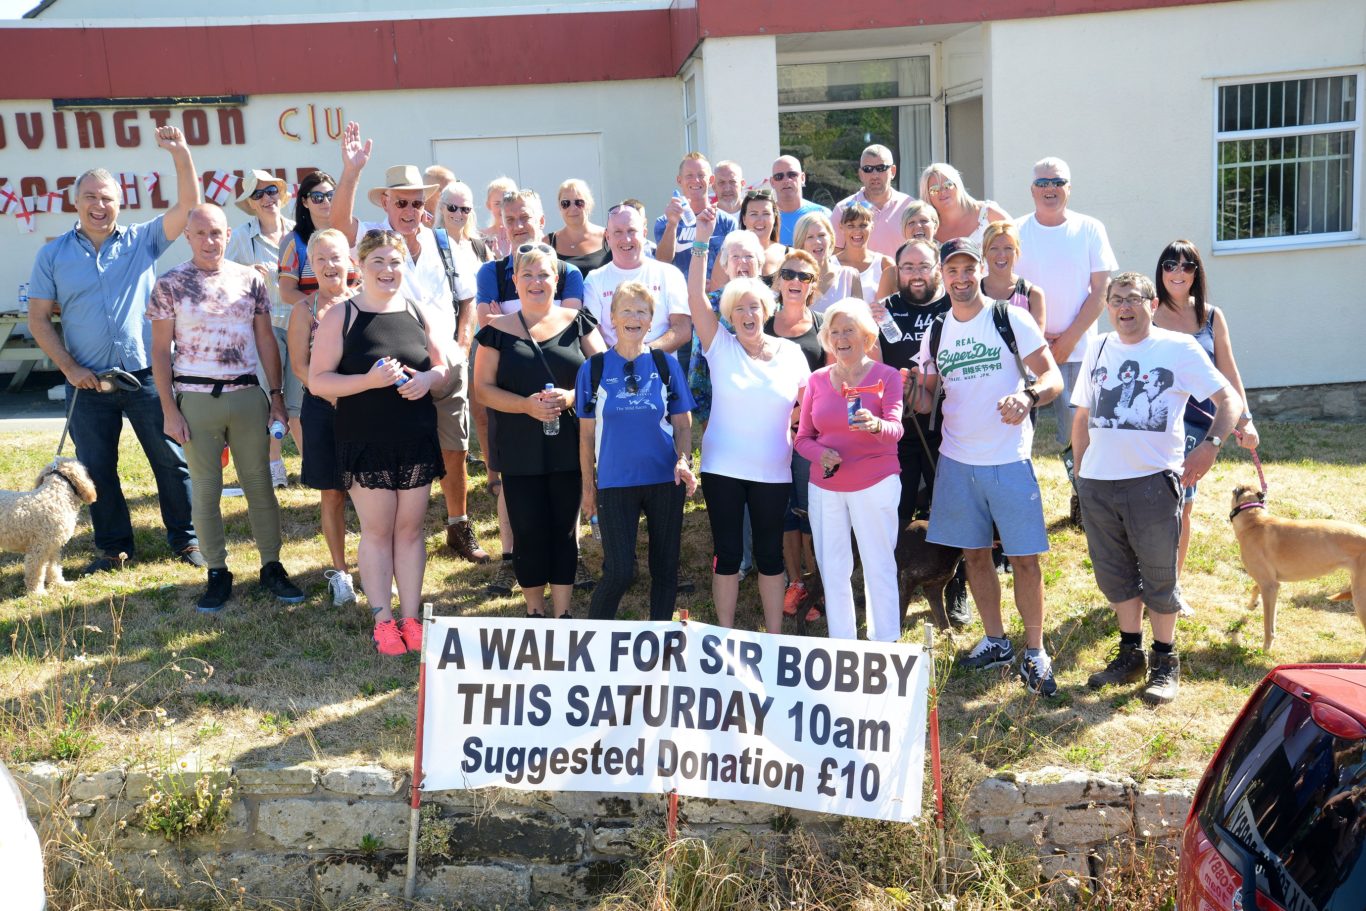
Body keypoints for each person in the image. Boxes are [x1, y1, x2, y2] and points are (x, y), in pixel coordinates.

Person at [27, 126, 202, 574]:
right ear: (76, 202)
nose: (99, 205)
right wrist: (68, 368)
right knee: (98, 470)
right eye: (90, 197)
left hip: (146, 376)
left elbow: (187, 208)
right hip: (86, 382)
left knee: (170, 461)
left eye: (107, 198)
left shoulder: (143, 240)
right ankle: (113, 549)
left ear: (119, 203)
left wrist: (181, 154)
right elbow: (39, 319)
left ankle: (186, 541)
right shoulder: (53, 255)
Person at [1071, 272, 1240, 705]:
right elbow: (1082, 415)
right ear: (1108, 306)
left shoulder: (1177, 348)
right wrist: (1081, 476)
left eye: (1132, 299)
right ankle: (1131, 653)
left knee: (1160, 577)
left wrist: (1210, 447)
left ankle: (1166, 661)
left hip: (1152, 482)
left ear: (1151, 304)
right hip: (1099, 483)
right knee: (1115, 575)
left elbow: (1229, 401)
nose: (1124, 307)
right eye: (1116, 299)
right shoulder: (1099, 346)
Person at [912, 239, 1063, 696]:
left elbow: (1052, 376)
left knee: (1023, 560)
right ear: (942, 274)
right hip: (957, 460)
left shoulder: (1009, 317)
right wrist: (909, 389)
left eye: (966, 268)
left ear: (979, 270)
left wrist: (1028, 396)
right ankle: (996, 640)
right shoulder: (936, 330)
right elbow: (924, 399)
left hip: (1008, 459)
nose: (959, 278)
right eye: (951, 270)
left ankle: (1034, 649)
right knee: (974, 555)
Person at [333, 130, 489, 567]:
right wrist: (352, 171)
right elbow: (338, 223)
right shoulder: (372, 241)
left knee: (454, 447)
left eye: (416, 202)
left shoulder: (446, 244)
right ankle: (393, 537)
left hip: (441, 366)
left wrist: (460, 343)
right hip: (386, 371)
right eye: (400, 202)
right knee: (396, 452)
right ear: (384, 203)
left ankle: (457, 525)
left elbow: (468, 298)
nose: (409, 211)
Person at [149, 205, 304, 612]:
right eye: (200, 233)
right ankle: (217, 572)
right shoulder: (170, 284)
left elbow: (266, 340)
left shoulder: (249, 279)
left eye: (216, 233)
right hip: (196, 399)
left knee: (259, 484)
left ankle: (272, 565)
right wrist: (169, 409)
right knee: (205, 489)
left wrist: (276, 397)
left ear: (228, 233)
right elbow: (160, 353)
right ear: (187, 236)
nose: (209, 241)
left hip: (247, 394)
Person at [308, 229, 449, 655]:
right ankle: (382, 619)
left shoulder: (416, 310)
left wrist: (427, 379)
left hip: (415, 438)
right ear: (361, 266)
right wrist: (368, 381)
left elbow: (443, 368)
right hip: (365, 438)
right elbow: (318, 381)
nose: (388, 271)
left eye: (395, 263)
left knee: (409, 530)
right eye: (378, 263)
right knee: (377, 530)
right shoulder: (342, 316)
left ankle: (411, 616)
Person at [689, 207, 811, 633]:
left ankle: (774, 637)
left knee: (770, 555)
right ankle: (723, 633)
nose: (747, 314)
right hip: (722, 469)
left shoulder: (791, 353)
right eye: (738, 307)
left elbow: (809, 409)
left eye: (754, 306)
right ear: (729, 314)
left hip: (773, 472)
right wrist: (703, 239)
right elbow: (694, 299)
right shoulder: (719, 346)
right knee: (726, 554)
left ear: (766, 309)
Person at [474, 244, 606, 618]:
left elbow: (602, 373)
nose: (536, 282)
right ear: (514, 282)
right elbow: (482, 389)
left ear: (556, 280)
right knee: (528, 533)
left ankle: (563, 614)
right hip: (519, 450)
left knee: (564, 531)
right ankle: (535, 612)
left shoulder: (578, 320)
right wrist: (524, 406)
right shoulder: (495, 331)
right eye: (527, 275)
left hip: (568, 447)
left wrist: (570, 397)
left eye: (544, 274)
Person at [578, 282, 697, 621]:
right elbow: (586, 436)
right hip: (616, 483)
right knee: (618, 572)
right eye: (626, 310)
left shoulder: (665, 364)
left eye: (641, 311)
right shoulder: (594, 368)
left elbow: (684, 425)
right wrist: (589, 487)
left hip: (664, 480)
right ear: (612, 318)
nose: (634, 317)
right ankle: (595, 645)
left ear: (650, 320)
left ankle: (659, 643)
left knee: (666, 569)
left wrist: (684, 462)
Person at [795, 299, 905, 640]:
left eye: (849, 330)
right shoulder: (815, 380)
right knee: (832, 567)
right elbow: (802, 439)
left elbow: (896, 430)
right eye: (835, 331)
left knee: (878, 564)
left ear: (867, 337)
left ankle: (885, 642)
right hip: (826, 486)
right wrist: (821, 454)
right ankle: (841, 644)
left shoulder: (887, 376)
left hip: (875, 481)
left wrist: (875, 425)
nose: (841, 338)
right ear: (827, 338)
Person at [1150, 240, 1259, 579]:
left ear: (1196, 272)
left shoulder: (1211, 315)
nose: (1178, 272)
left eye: (1186, 265)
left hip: (1197, 426)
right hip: (1155, 423)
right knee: (1150, 505)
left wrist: (1246, 420)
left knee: (1182, 506)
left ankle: (1172, 586)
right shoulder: (1148, 314)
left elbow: (1229, 371)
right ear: (1160, 271)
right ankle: (1143, 582)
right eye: (1170, 265)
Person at [1012, 157, 1117, 481]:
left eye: (1057, 182)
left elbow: (1101, 289)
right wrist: (1038, 343)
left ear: (1069, 189)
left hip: (1078, 352)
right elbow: (1007, 289)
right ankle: (1013, 505)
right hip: (1025, 353)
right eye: (1042, 183)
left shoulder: (1089, 228)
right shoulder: (1015, 231)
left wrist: (1069, 339)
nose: (1050, 189)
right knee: (1013, 434)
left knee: (1079, 434)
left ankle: (1084, 500)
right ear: (1032, 189)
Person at [287, 228, 360, 608]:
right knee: (332, 493)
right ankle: (341, 573)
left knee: (372, 494)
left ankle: (376, 566)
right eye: (321, 259)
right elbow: (299, 365)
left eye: (336, 257)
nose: (330, 265)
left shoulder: (367, 302)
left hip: (366, 410)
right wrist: (332, 392)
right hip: (323, 410)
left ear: (350, 261)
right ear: (310, 266)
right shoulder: (305, 311)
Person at [227, 169, 299, 487]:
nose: (267, 199)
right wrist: (244, 272)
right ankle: (273, 463)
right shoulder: (242, 235)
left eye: (271, 191)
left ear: (280, 196)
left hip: (298, 324)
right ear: (251, 204)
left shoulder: (298, 232)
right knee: (272, 397)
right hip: (263, 328)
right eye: (258, 195)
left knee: (299, 398)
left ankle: (311, 463)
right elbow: (220, 273)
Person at [767, 249, 828, 618]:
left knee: (811, 513)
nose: (795, 281)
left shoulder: (823, 325)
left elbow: (833, 382)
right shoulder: (761, 323)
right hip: (770, 434)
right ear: (776, 281)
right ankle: (796, 583)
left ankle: (817, 586)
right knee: (784, 512)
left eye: (803, 277)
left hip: (812, 436)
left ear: (812, 286)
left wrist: (802, 415)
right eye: (788, 274)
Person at [582, 205, 690, 352]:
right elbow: (591, 333)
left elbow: (682, 329)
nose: (626, 239)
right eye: (618, 232)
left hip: (660, 369)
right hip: (612, 371)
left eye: (632, 231)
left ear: (644, 233)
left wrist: (643, 357)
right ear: (608, 237)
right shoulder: (594, 280)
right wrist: (612, 364)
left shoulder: (670, 274)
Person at [278, 170, 359, 309]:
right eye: (317, 197)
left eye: (330, 195)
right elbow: (287, 292)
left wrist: (350, 306)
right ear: (304, 202)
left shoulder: (353, 233)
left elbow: (366, 280)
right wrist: (326, 309)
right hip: (316, 324)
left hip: (355, 317)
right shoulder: (293, 242)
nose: (326, 201)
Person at [654, 153, 738, 281]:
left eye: (701, 175)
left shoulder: (727, 222)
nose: (696, 180)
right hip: (678, 297)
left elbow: (733, 263)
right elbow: (662, 262)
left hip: (715, 297)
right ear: (679, 180)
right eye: (689, 175)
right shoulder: (664, 222)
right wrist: (672, 225)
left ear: (711, 180)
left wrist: (716, 285)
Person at [832, 144, 913, 258]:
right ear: (861, 174)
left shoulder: (909, 207)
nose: (875, 175)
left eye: (881, 168)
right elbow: (834, 259)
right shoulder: (843, 210)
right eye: (868, 169)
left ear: (893, 171)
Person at [920, 163, 1010, 245]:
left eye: (948, 185)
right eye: (934, 189)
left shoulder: (989, 215)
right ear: (927, 195)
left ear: (957, 185)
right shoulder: (926, 228)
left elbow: (1018, 246)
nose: (942, 191)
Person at [980, 221, 1046, 330]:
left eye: (1008, 248)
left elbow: (1036, 343)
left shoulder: (1033, 295)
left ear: (1017, 252)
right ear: (985, 253)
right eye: (994, 248)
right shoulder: (972, 292)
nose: (1001, 255)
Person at [794, 212, 861, 314]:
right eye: (810, 237)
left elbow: (860, 320)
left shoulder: (850, 276)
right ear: (801, 243)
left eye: (821, 235)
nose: (817, 241)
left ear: (831, 238)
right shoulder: (791, 278)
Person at [874, 200, 941, 301]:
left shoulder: (950, 267)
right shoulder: (891, 275)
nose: (918, 226)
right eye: (911, 223)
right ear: (903, 230)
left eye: (924, 221)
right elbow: (879, 313)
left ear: (935, 226)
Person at [547, 178, 611, 274]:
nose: (572, 208)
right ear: (559, 207)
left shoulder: (608, 237)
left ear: (589, 204)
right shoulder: (548, 243)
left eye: (579, 203)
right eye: (565, 203)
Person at [835, 203, 894, 305]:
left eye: (863, 225)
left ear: (872, 226)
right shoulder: (830, 264)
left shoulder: (885, 264)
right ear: (841, 227)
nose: (857, 231)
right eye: (850, 226)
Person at [770, 155, 830, 245]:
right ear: (772, 182)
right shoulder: (765, 217)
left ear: (802, 178)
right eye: (779, 176)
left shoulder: (822, 214)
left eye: (792, 175)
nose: (786, 180)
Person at [738, 188, 789, 280]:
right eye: (754, 214)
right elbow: (715, 293)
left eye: (766, 213)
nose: (760, 220)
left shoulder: (790, 255)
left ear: (774, 218)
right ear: (744, 219)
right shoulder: (728, 254)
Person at [481, 176, 517, 259]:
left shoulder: (522, 234)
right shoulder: (479, 238)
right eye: (497, 203)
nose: (503, 208)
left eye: (507, 201)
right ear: (488, 205)